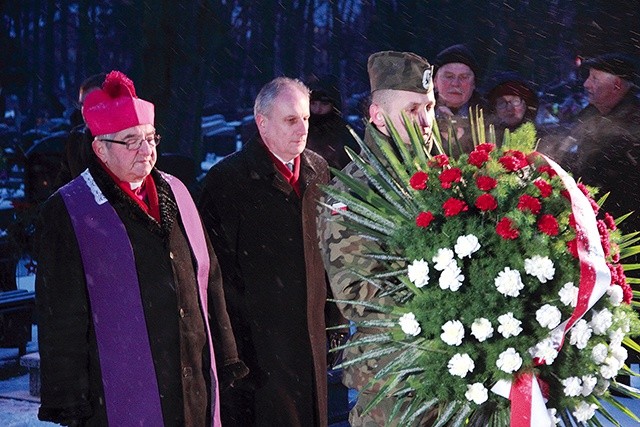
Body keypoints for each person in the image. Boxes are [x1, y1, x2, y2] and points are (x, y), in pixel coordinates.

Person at [36, 70, 247, 426]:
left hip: (189, 377)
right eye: (130, 140)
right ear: (100, 148)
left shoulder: (177, 191)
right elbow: (60, 312)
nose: (146, 150)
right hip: (117, 386)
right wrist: (67, 396)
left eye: (150, 138)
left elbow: (209, 277)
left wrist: (225, 356)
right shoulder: (71, 208)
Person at [197, 77, 330, 426]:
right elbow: (215, 273)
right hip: (258, 349)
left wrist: (334, 324)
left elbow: (329, 257)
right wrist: (230, 350)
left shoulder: (318, 171)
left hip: (312, 341)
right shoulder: (227, 181)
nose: (302, 129)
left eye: (305, 118)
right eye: (290, 120)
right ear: (262, 122)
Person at [317, 51, 436, 426]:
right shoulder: (353, 192)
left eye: (430, 107)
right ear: (378, 116)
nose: (426, 120)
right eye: (414, 108)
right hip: (393, 380)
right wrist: (447, 309)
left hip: (458, 378)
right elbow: (358, 294)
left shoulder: (448, 178)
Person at [54, 72, 106, 189]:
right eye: (82, 104)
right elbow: (64, 183)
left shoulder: (127, 139)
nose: (85, 110)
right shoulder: (76, 139)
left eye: (93, 102)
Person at [433, 44, 485, 154]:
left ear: (474, 83)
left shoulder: (488, 115)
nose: (456, 84)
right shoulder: (416, 112)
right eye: (449, 76)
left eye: (464, 77)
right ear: (435, 81)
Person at [306, 75, 360, 171]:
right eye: (313, 103)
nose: (318, 109)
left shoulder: (345, 131)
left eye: (324, 104)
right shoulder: (302, 128)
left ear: (334, 105)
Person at [485, 71, 539, 142]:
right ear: (494, 108)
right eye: (502, 103)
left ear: (526, 105)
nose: (509, 108)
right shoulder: (484, 142)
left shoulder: (545, 141)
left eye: (515, 101)